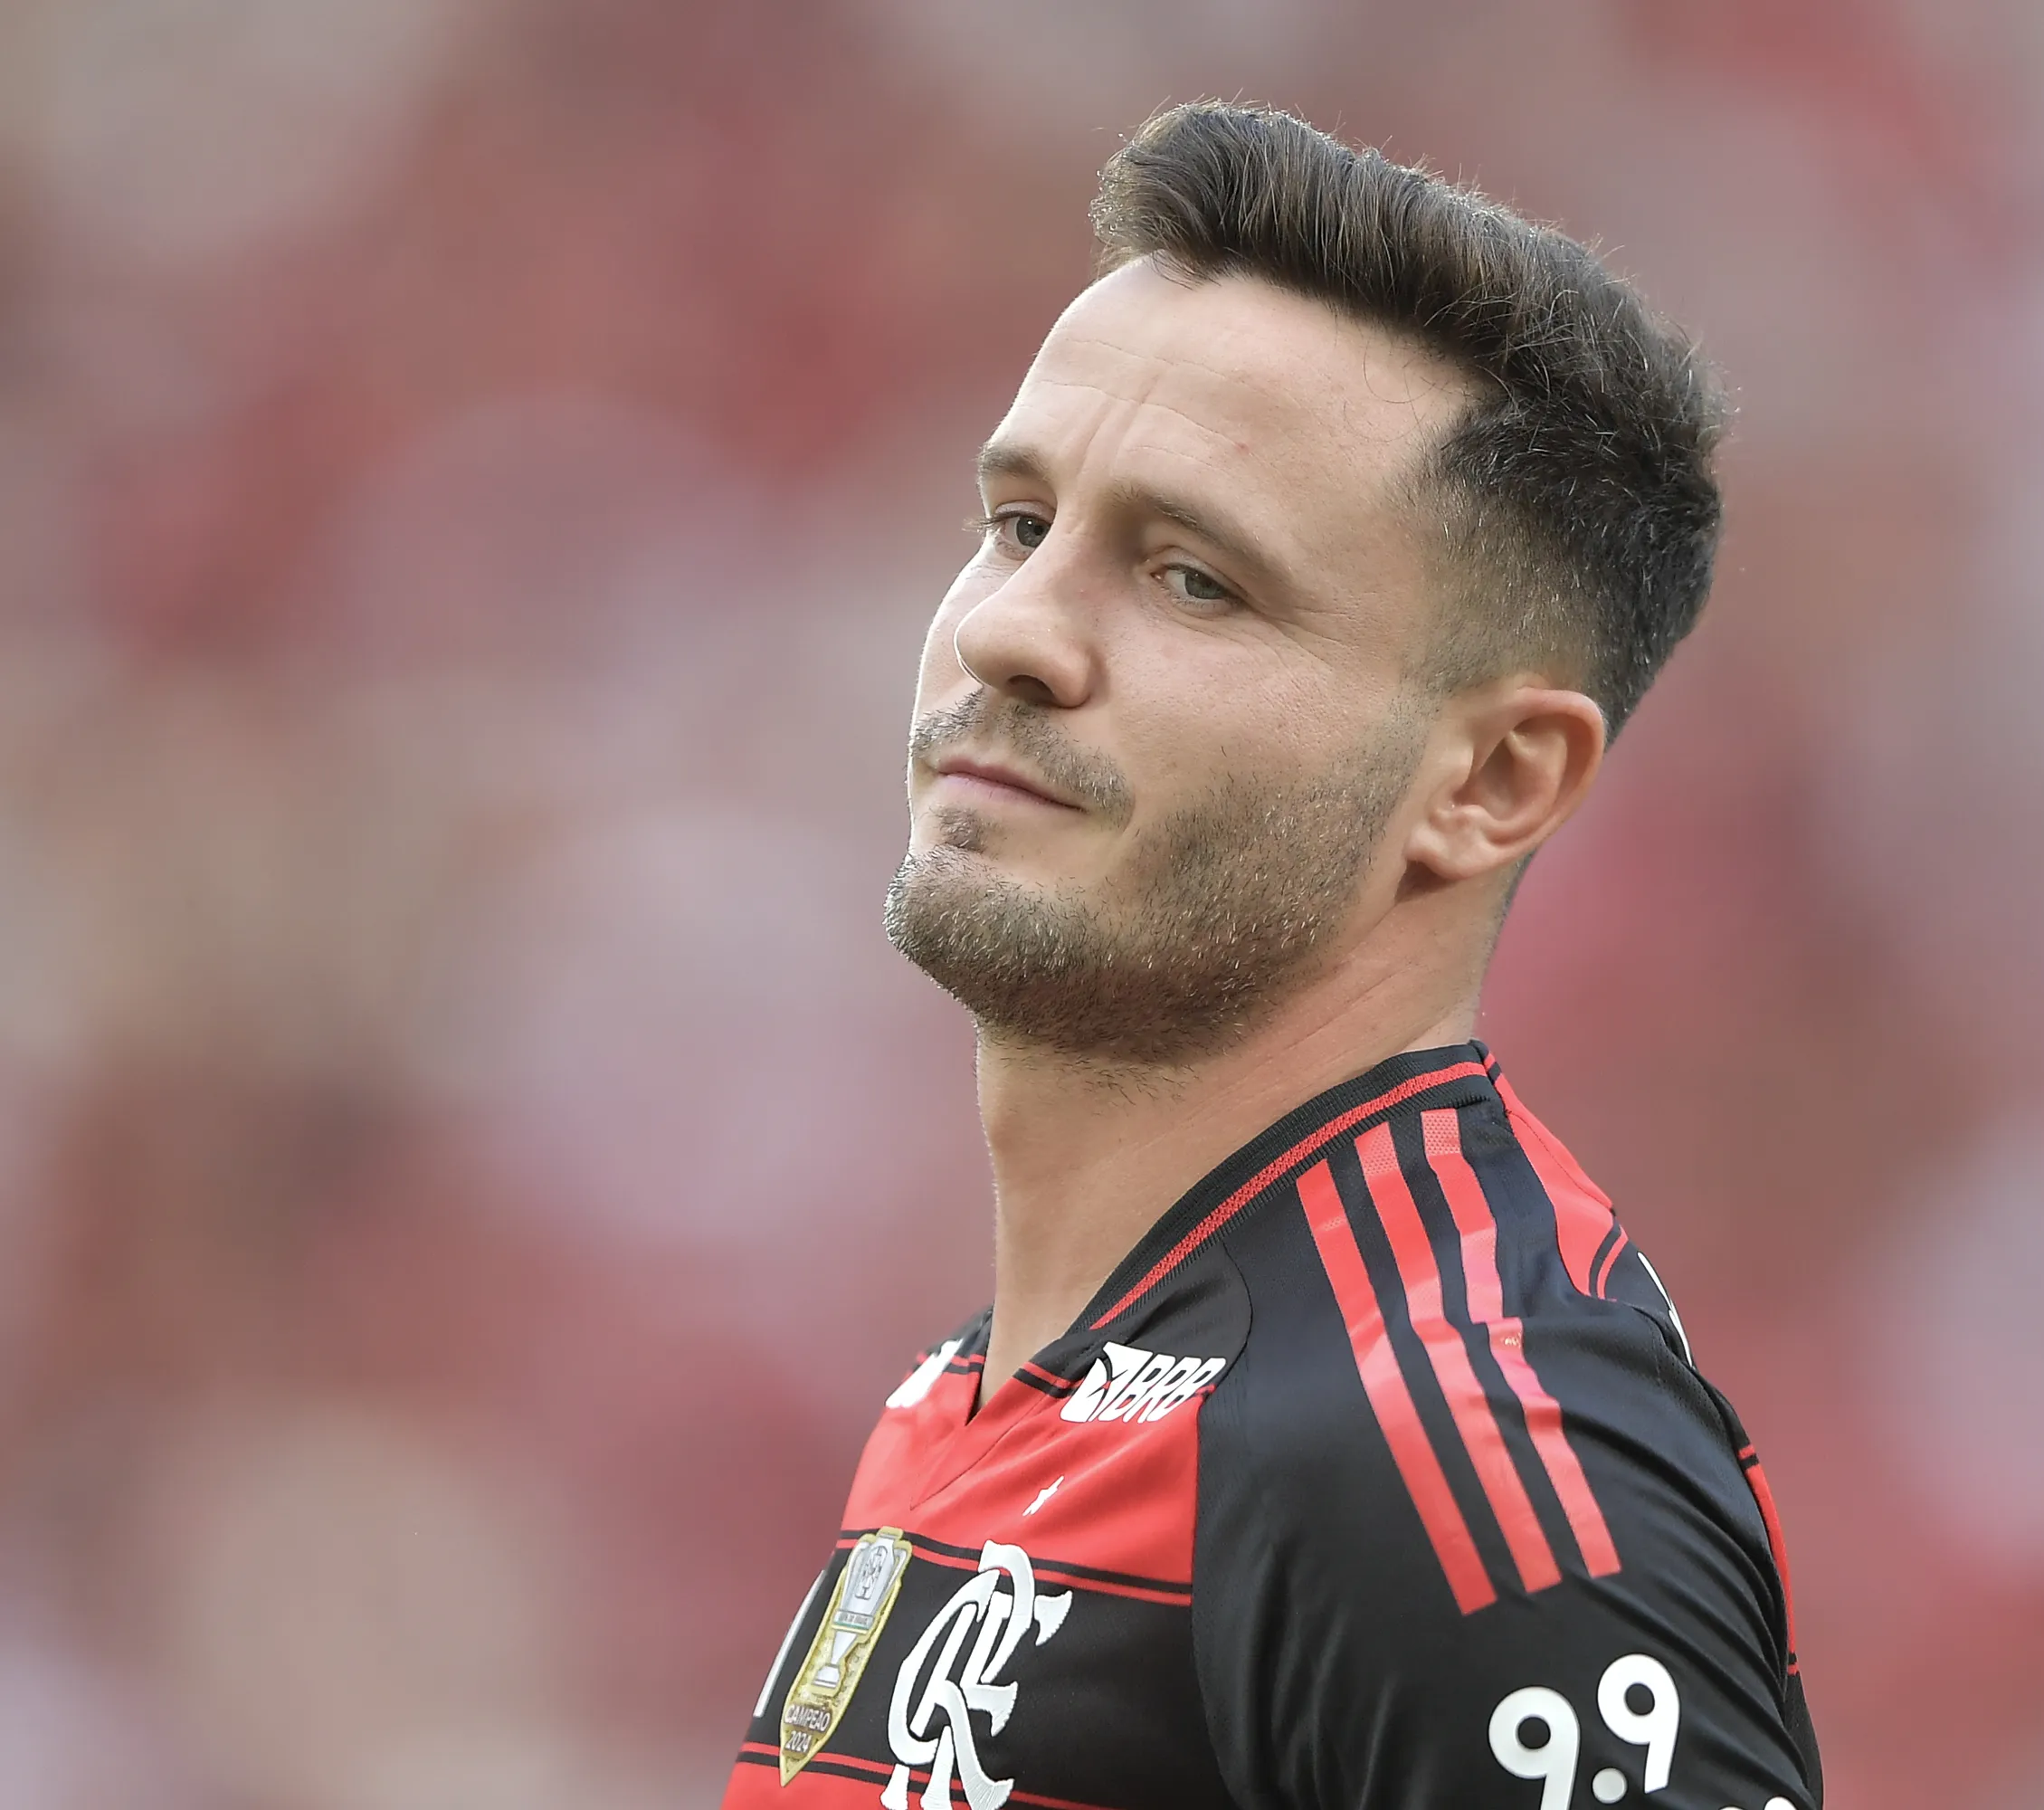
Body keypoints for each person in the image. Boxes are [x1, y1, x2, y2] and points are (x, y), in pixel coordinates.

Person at [724, 100, 1819, 1810]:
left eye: (1191, 580)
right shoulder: (1006, 1392)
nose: (1011, 630)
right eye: (1017, 525)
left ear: (1490, 780)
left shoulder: (1437, 1440)